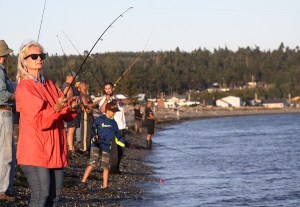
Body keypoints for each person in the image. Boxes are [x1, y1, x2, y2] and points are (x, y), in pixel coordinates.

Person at [15, 41, 78, 206]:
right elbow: (40, 121)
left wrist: (70, 106)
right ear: (24, 61)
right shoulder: (24, 88)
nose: (38, 59)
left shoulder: (49, 84)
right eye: (34, 56)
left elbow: (66, 116)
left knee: (55, 198)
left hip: (55, 150)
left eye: (41, 56)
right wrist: (56, 108)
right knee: (40, 196)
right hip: (35, 151)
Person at [77, 102, 125, 190]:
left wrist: (123, 143)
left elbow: (118, 135)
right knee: (92, 163)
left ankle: (105, 186)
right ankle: (83, 182)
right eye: (112, 111)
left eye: (115, 112)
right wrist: (95, 136)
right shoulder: (100, 120)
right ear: (107, 110)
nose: (114, 113)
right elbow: (92, 129)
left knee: (106, 166)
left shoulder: (114, 123)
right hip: (96, 145)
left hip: (107, 146)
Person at [0, 40, 16, 201]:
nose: (6, 58)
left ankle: (5, 188)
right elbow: (2, 95)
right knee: (6, 154)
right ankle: (2, 190)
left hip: (3, 114)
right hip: (3, 113)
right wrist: (18, 96)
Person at [99, 82, 126, 174]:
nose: (107, 90)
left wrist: (119, 100)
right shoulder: (104, 99)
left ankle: (117, 168)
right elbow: (102, 110)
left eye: (109, 88)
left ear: (113, 89)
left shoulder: (119, 96)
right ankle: (111, 168)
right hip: (110, 128)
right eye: (106, 89)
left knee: (120, 150)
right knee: (112, 150)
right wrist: (107, 100)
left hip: (121, 127)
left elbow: (129, 101)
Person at [62, 70, 81, 156]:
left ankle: (71, 147)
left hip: (74, 111)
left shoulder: (71, 85)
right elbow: (69, 96)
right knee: (71, 130)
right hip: (71, 111)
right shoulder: (68, 86)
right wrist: (75, 98)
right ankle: (70, 149)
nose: (75, 80)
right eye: (74, 78)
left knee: (73, 130)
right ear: (69, 77)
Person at [78, 82, 100, 153]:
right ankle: (84, 148)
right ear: (81, 87)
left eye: (86, 85)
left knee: (90, 131)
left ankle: (89, 147)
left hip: (90, 116)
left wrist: (95, 105)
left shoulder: (88, 95)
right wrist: (95, 103)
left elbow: (91, 105)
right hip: (85, 115)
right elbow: (86, 105)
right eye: (84, 85)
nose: (86, 86)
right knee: (85, 132)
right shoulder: (82, 95)